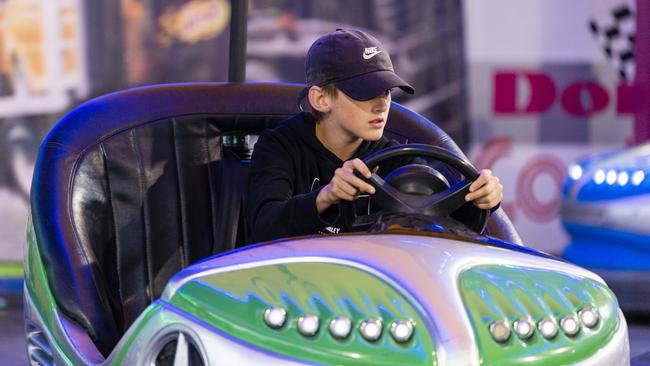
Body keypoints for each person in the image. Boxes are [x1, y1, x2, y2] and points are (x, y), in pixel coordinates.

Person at [247, 28, 503, 243]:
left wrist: (480, 201)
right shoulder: (280, 146)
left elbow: (439, 227)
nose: (381, 105)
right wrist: (326, 196)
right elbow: (263, 229)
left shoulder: (397, 159)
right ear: (321, 99)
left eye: (386, 92)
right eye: (365, 92)